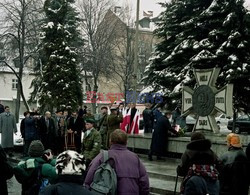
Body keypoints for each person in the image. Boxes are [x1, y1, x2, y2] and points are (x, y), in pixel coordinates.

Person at [84, 129, 150, 195]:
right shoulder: (135, 158)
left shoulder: (103, 156)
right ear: (126, 142)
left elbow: (89, 177)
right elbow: (144, 182)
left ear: (110, 141)